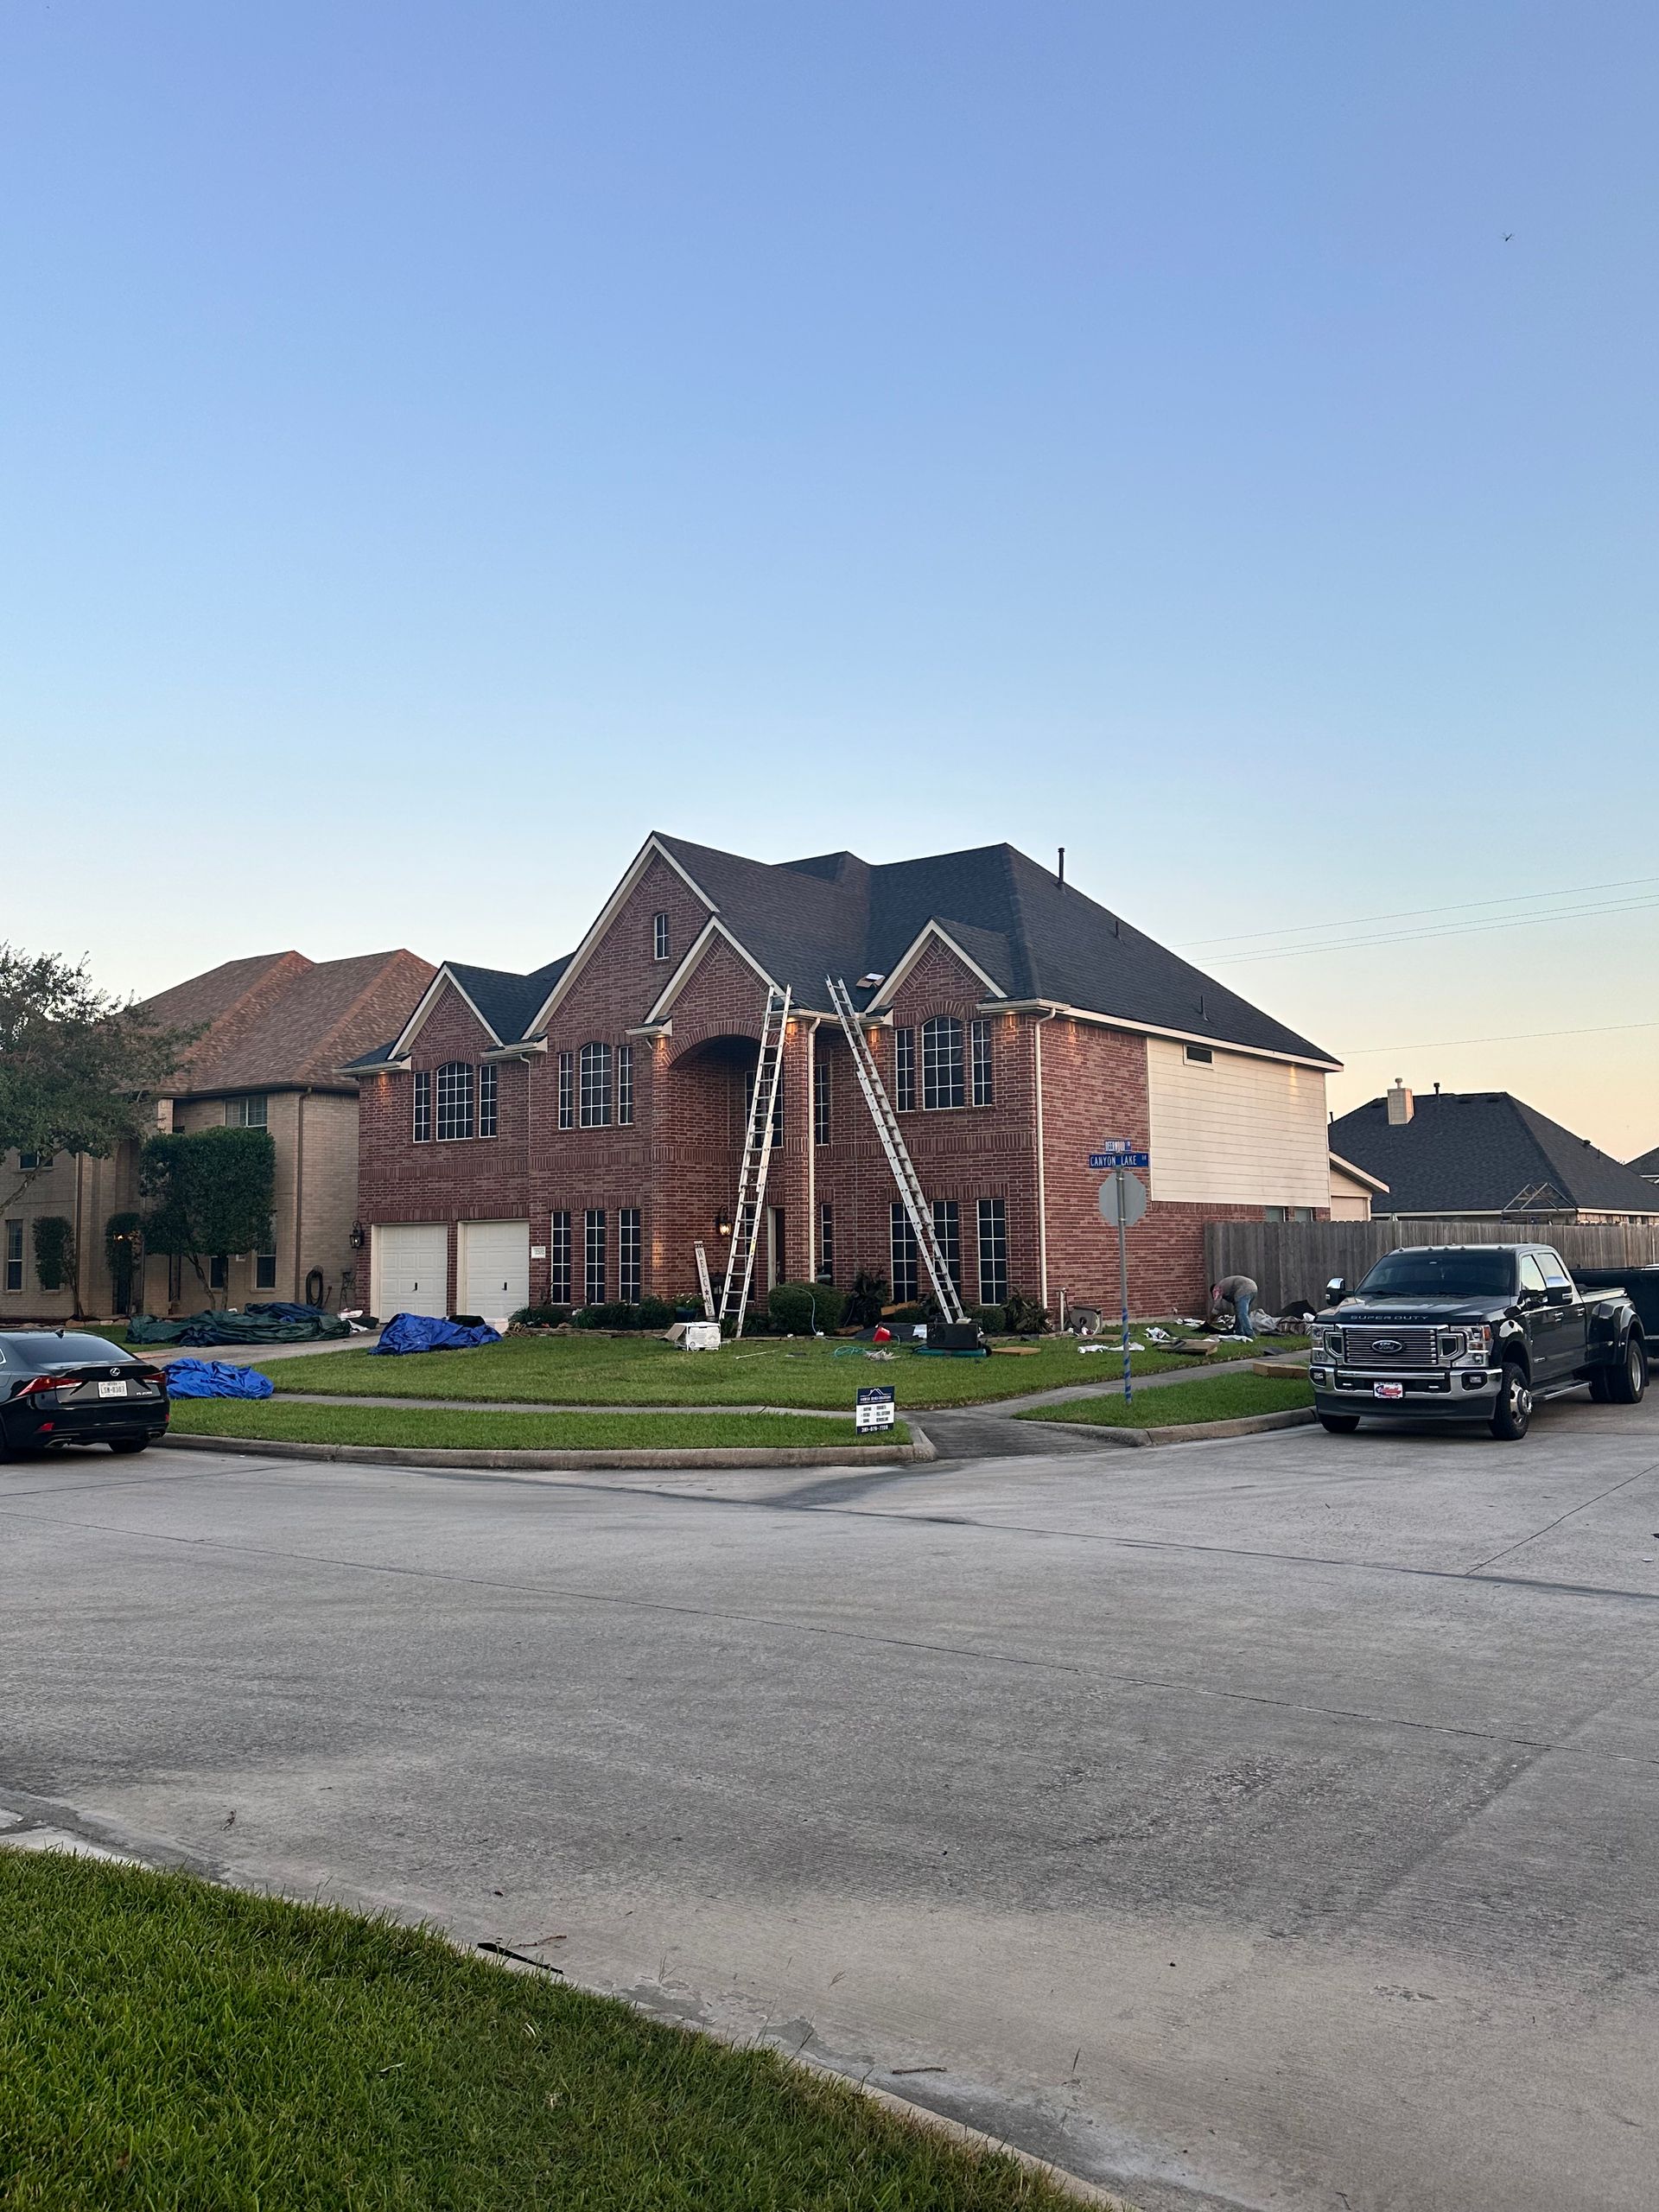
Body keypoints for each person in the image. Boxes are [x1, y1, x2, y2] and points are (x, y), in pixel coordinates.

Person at [1210, 1274, 1258, 1338]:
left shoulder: (1216, 1288)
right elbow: (1235, 1304)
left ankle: (1250, 1334)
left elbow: (1217, 1306)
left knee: (1242, 1314)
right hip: (1253, 1288)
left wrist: (1210, 1320)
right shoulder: (1225, 1285)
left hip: (1244, 1289)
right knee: (1239, 1311)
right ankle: (1239, 1331)